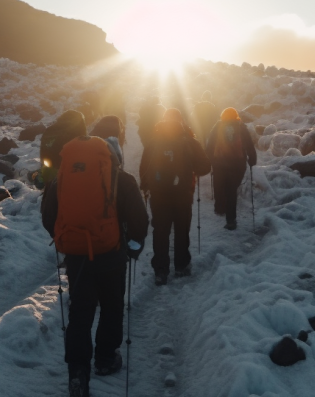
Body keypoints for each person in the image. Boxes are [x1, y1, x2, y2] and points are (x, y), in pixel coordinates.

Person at [42, 115, 149, 397]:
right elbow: (139, 220)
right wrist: (133, 248)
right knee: (112, 307)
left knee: (80, 312)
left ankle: (78, 372)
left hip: (77, 255)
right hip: (111, 253)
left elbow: (48, 215)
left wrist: (65, 241)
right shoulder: (123, 179)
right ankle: (105, 359)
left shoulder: (63, 176)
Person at [139, 108, 210, 285]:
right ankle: (181, 266)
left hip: (158, 195)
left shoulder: (153, 142)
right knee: (181, 229)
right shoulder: (190, 141)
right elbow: (205, 167)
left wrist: (147, 187)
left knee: (161, 231)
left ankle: (161, 271)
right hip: (183, 194)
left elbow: (144, 169)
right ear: (181, 122)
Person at [205, 108, 258, 230]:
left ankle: (220, 208)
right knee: (231, 191)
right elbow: (249, 144)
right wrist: (252, 159)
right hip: (237, 165)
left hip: (219, 164)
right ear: (236, 116)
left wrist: (210, 160)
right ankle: (231, 220)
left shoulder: (218, 126)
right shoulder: (241, 127)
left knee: (220, 187)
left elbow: (210, 145)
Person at [38, 110, 88, 187]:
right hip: (69, 178)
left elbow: (44, 153)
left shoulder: (50, 130)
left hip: (48, 173)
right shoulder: (78, 136)